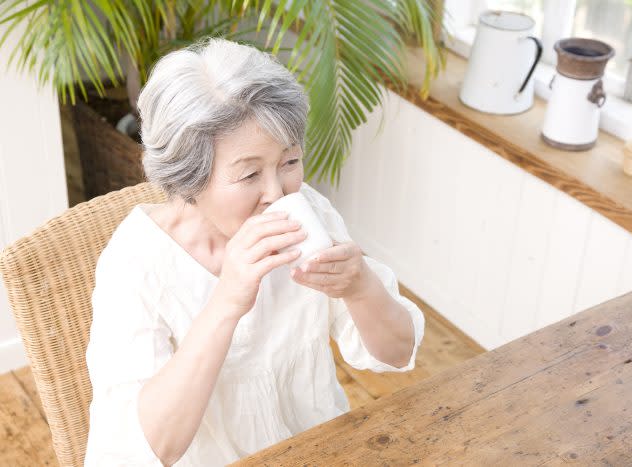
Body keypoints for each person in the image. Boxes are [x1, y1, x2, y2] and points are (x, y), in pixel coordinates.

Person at [83, 37, 425, 466]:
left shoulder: (311, 214)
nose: (276, 192)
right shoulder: (137, 265)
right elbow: (150, 447)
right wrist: (227, 301)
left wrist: (360, 288)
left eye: (289, 161)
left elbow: (397, 353)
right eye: (249, 174)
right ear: (188, 180)